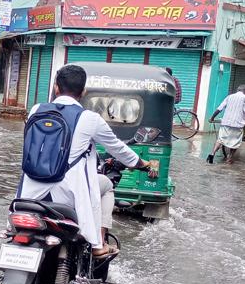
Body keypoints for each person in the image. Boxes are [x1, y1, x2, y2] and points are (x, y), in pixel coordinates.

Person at [18, 65, 156, 256]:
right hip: (69, 193)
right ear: (83, 92)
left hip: (29, 191)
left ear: (56, 88)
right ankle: (98, 244)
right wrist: (142, 164)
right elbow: (118, 148)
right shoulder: (90, 119)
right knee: (106, 186)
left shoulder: (36, 110)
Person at [207, 85, 245, 164]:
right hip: (237, 125)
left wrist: (212, 118)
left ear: (237, 90)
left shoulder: (229, 97)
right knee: (235, 143)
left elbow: (219, 109)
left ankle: (212, 153)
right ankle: (229, 158)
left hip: (225, 123)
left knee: (220, 140)